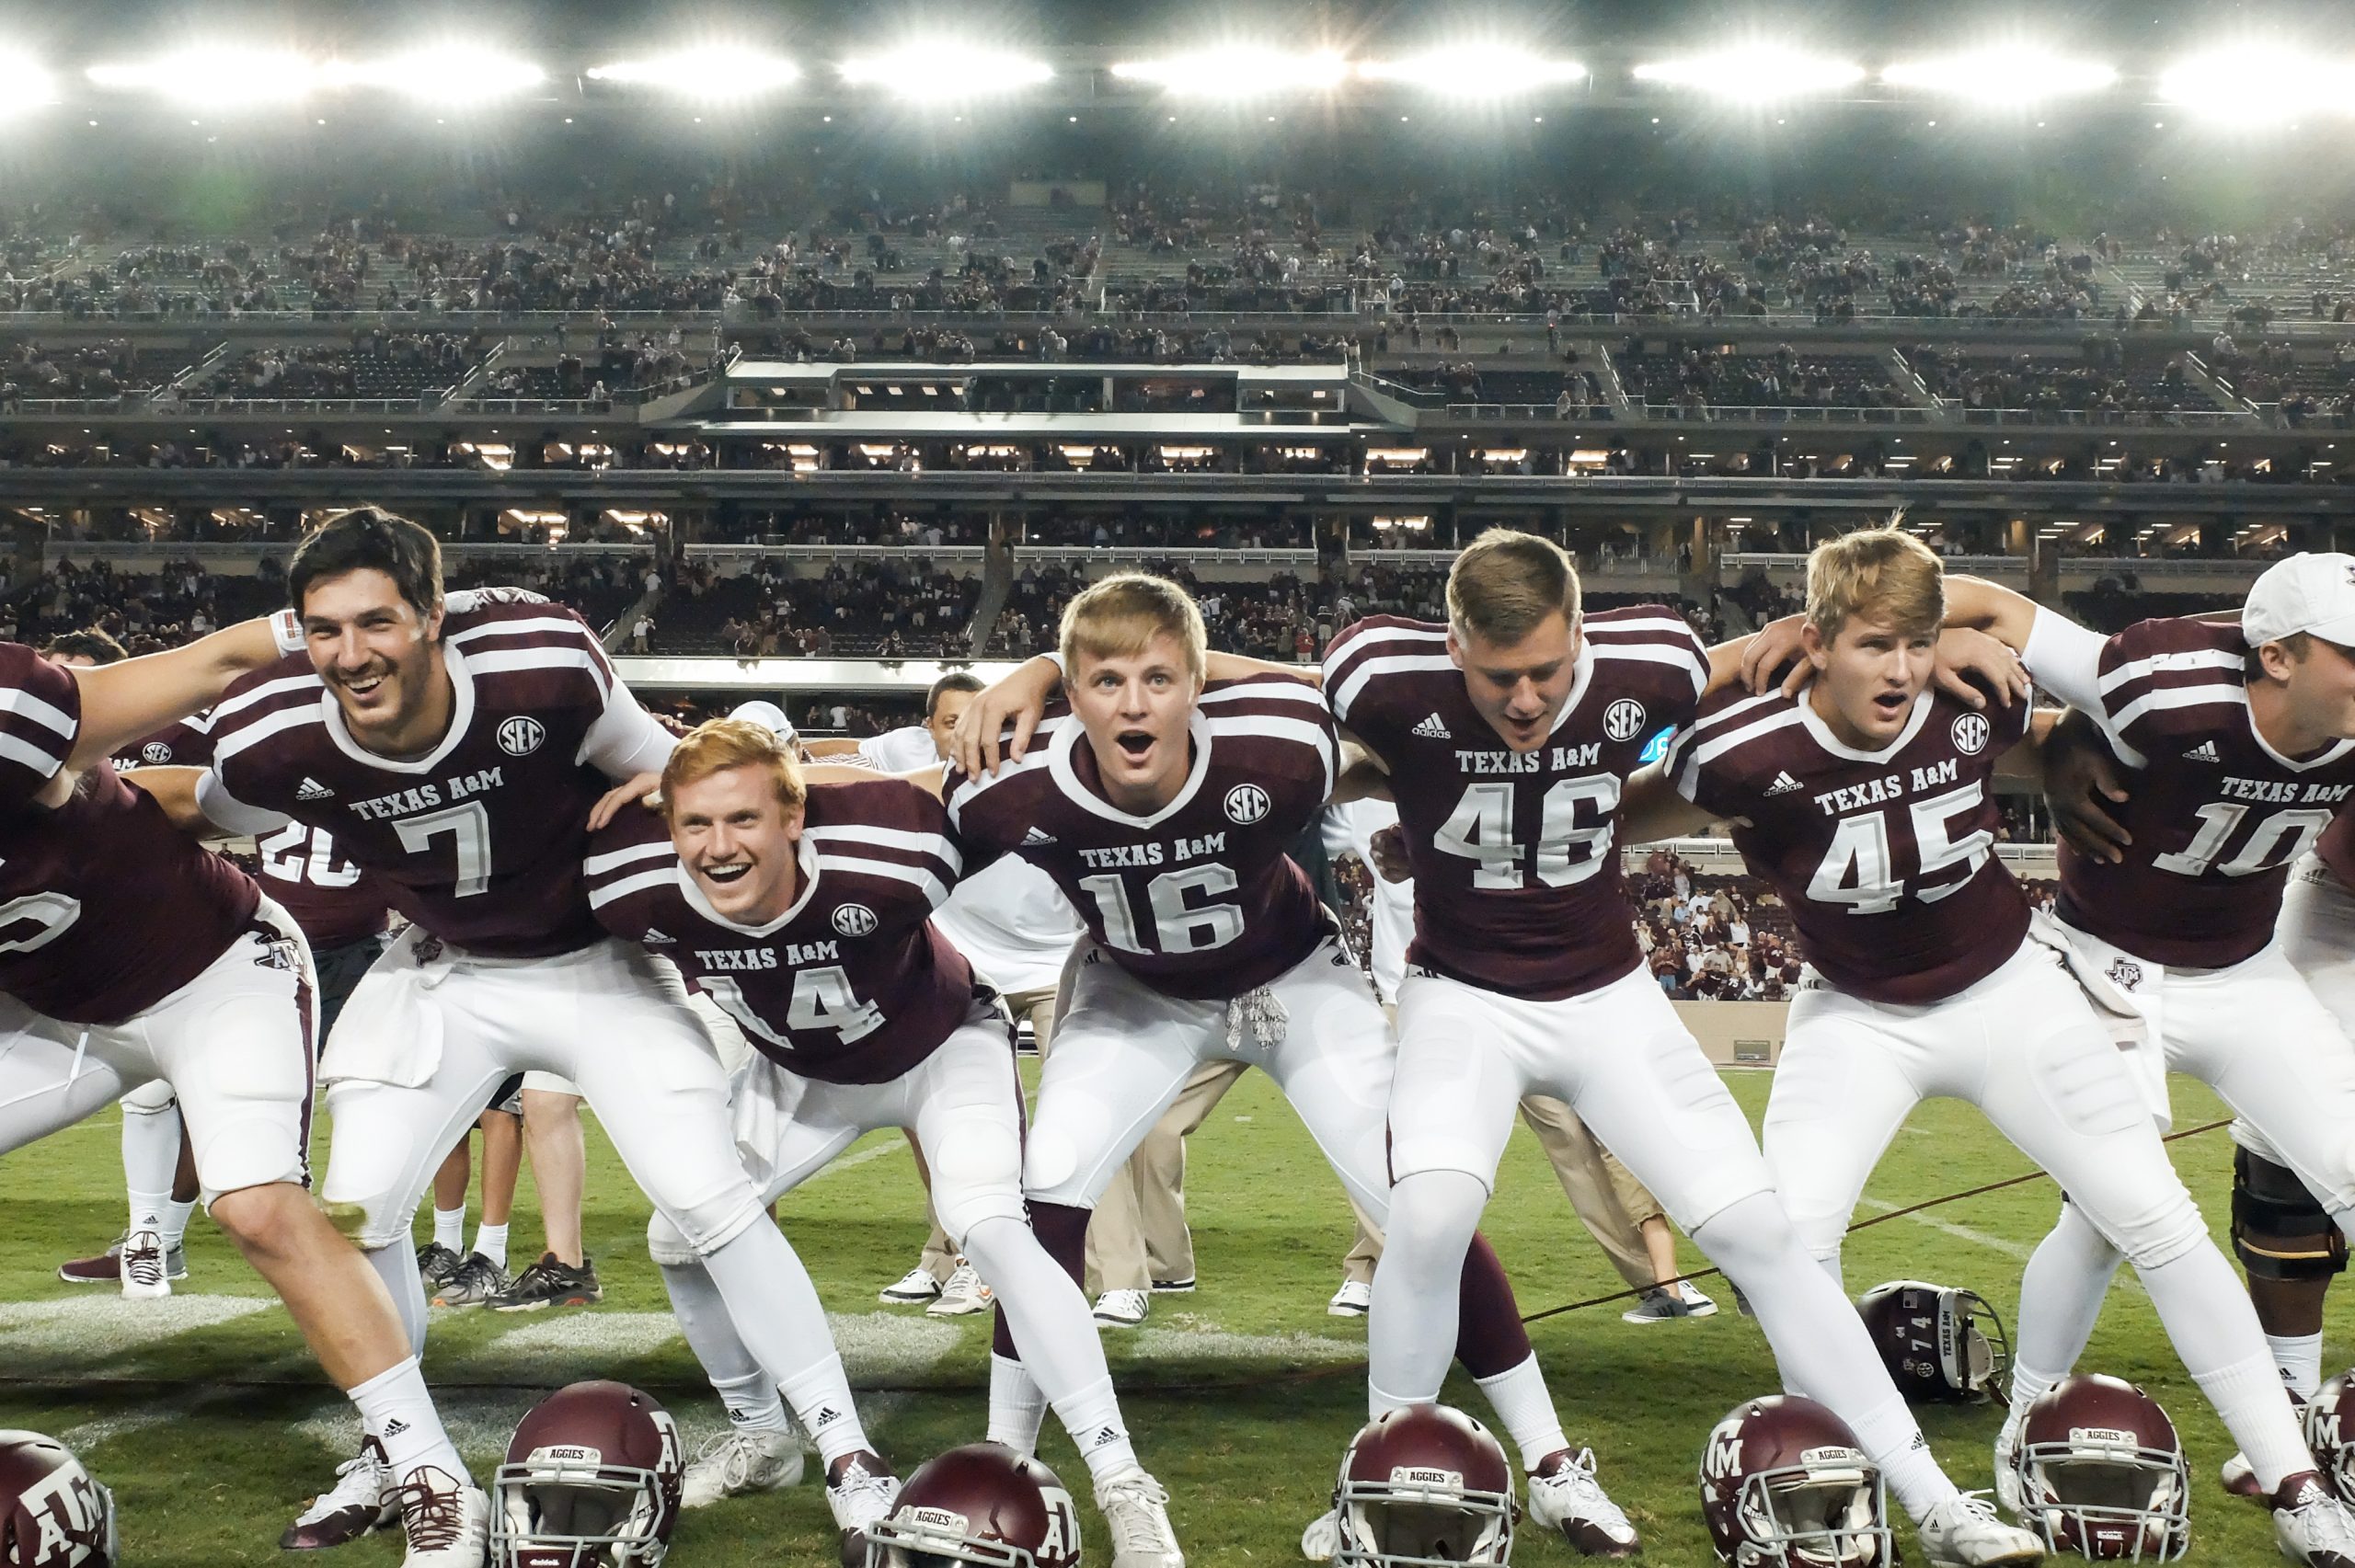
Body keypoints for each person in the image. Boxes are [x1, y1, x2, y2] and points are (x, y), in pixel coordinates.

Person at [142, 508, 902, 1557]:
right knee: (359, 1213)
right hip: (442, 970)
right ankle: (391, 1447)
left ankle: (845, 1449)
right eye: (324, 630)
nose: (351, 655)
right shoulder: (271, 727)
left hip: (597, 962)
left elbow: (672, 773)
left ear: (433, 616)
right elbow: (206, 810)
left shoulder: (539, 660)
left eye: (377, 623)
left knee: (707, 1199)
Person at [1314, 530, 2041, 1565]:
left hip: (1609, 995)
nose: (1525, 700)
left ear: (1583, 637)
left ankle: (1935, 1498)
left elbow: (1791, 648)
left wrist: (1952, 645)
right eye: (1497, 677)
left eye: (1548, 673)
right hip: (1460, 995)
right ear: (1450, 645)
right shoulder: (1384, 673)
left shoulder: (1648, 662)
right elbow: (1251, 684)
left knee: (1762, 1238)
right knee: (1428, 1216)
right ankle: (1375, 1490)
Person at [1640, 525, 2355, 1563]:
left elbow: (2040, 717)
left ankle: (2294, 1482)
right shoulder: (1738, 749)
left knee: (2153, 1213)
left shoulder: (1980, 695)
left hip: (2010, 987)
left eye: (1915, 644)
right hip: (1855, 1008)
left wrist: (2058, 754)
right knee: (1791, 1251)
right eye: (1873, 644)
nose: (1899, 668)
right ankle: (1888, 1487)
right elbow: (1625, 796)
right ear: (1817, 637)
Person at [949, 573, 1641, 1557]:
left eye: (1160, 677)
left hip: (1293, 979)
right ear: (1072, 692)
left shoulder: (1276, 740)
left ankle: (1548, 1459)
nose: (1134, 703)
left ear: (1198, 684)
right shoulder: (1012, 779)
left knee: (1419, 1200)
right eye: (1104, 681)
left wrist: (1411, 835)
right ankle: (1006, 1465)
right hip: (1132, 990)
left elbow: (1386, 717)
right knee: (1047, 1190)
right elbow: (881, 830)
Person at [583, 717, 1184, 1565]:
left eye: (745, 819)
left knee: (989, 1224)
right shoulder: (631, 880)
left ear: (795, 817)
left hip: (940, 1047)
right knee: (676, 1233)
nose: (718, 846)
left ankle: (1122, 1479)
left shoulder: (887, 847)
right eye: (695, 823)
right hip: (799, 1072)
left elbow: (962, 785)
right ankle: (771, 1436)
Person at [0, 609, 489, 1565]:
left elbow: (216, 663)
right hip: (55, 1010)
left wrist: (342, 623)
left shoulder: (14, 711)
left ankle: (431, 1472)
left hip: (212, 970)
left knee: (260, 1204)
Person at [1939, 555, 2355, 1507]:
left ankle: (2287, 1430)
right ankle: (2027, 1423)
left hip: (2246, 971)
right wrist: (1977, 667)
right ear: (2279, 656)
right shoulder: (2161, 681)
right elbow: (1988, 602)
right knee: (2104, 1217)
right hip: (2105, 966)